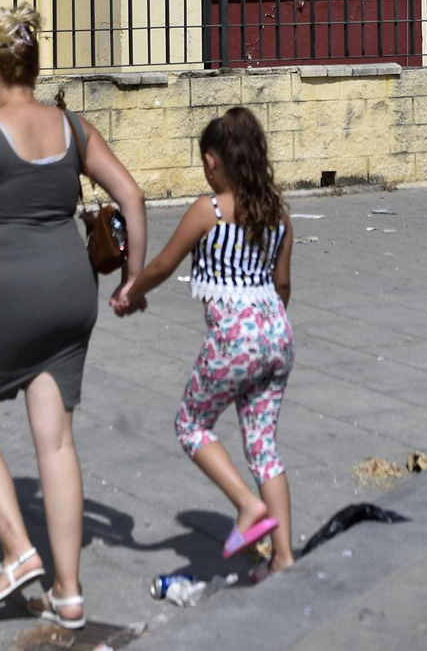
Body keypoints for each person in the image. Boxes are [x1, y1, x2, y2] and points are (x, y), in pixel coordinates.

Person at [0, 4, 146, 629]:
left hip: (10, 297)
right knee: (55, 441)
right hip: (73, 296)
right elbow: (131, 195)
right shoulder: (73, 127)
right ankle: (70, 596)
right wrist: (132, 277)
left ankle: (20, 554)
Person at [112, 106, 297, 573]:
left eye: (204, 162)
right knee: (263, 445)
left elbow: (161, 265)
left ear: (214, 162)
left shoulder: (209, 210)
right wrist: (266, 333)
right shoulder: (278, 214)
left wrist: (130, 292)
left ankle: (247, 506)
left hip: (237, 337)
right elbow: (284, 284)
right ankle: (284, 556)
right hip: (277, 332)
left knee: (191, 425)